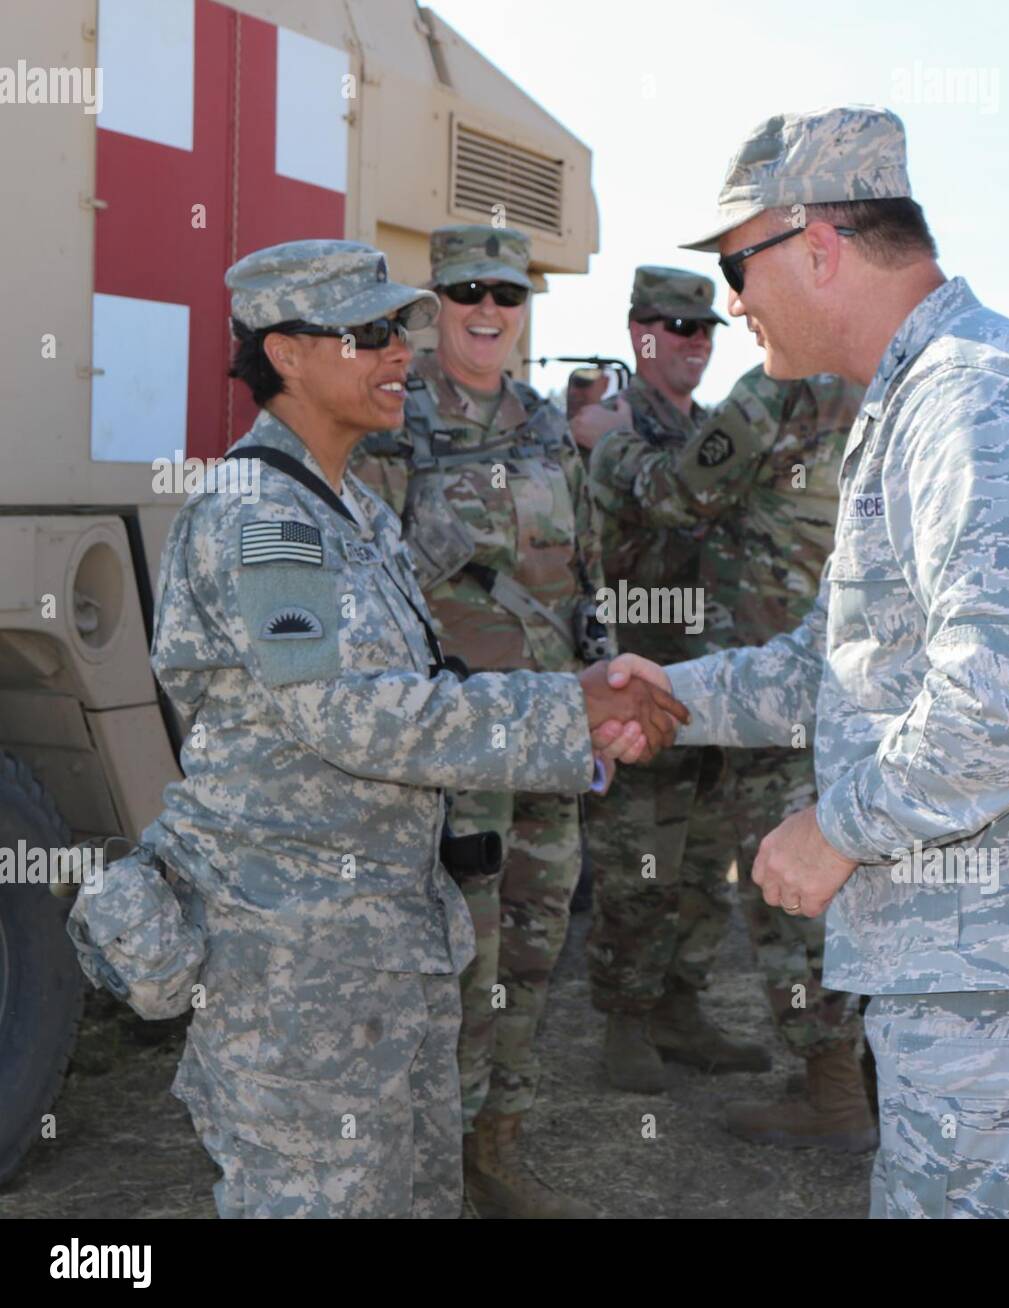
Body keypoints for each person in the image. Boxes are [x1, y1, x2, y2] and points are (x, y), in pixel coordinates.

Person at [608, 106, 1009, 1218]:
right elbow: (844, 666)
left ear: (819, 246)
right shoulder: (922, 398)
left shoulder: (973, 398)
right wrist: (671, 697)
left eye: (737, 266)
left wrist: (834, 827)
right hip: (983, 942)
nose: (731, 303)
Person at [144, 238, 684, 1219]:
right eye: (366, 333)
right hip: (299, 963)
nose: (400, 350)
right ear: (286, 353)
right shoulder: (266, 517)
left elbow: (422, 673)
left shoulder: (344, 505)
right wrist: (571, 711)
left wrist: (580, 689)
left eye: (399, 327)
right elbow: (358, 717)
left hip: (381, 937)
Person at [351, 223, 613, 1219]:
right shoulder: (393, 421)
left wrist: (594, 699)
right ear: (438, 303)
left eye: (507, 294)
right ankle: (433, 1157)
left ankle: (497, 1142)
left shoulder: (546, 425)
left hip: (549, 733)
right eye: (470, 294)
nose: (490, 313)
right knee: (461, 959)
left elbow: (579, 575)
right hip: (455, 748)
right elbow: (367, 584)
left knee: (535, 955)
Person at [589, 363, 877, 1151]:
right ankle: (868, 1080)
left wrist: (606, 446)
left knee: (787, 883)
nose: (735, 311)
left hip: (773, 673)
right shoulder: (901, 378)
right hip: (858, 672)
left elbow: (678, 494)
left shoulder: (784, 383)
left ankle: (836, 1095)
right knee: (861, 871)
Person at [574, 267, 770, 1092]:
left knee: (703, 862)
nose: (692, 342)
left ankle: (680, 1007)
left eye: (704, 330)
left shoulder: (714, 428)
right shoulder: (613, 430)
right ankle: (626, 1021)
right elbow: (671, 505)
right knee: (639, 863)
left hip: (713, 676)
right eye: (673, 327)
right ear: (637, 333)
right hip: (643, 675)